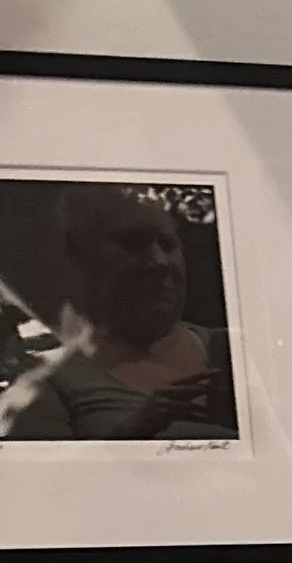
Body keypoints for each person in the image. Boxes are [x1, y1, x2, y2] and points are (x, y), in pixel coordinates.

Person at [2, 184, 237, 441]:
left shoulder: (234, 352)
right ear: (80, 253)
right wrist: (131, 435)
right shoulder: (48, 384)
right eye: (133, 243)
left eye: (168, 244)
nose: (160, 262)